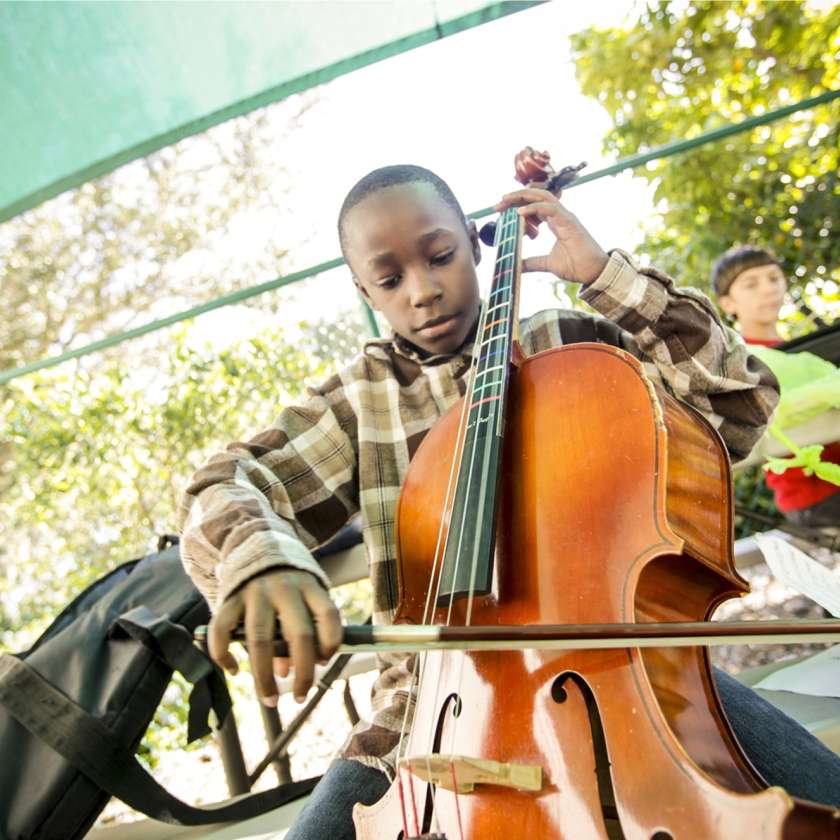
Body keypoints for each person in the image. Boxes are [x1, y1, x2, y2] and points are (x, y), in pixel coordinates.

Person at [179, 167, 840, 838]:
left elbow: (739, 404)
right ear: (363, 290)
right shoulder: (357, 404)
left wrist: (608, 279)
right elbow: (225, 482)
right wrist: (261, 560)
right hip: (419, 715)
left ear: (474, 242)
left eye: (440, 256)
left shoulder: (577, 348)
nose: (424, 289)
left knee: (824, 799)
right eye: (390, 280)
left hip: (617, 667)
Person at [713, 244, 840, 527]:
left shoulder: (800, 354)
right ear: (728, 304)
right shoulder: (743, 364)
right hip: (815, 492)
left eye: (773, 278)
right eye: (751, 284)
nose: (768, 289)